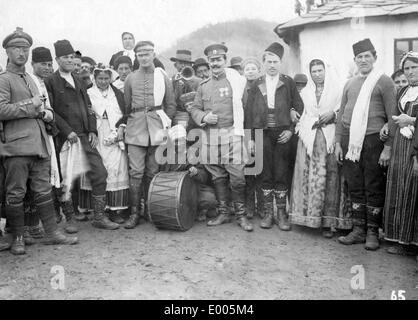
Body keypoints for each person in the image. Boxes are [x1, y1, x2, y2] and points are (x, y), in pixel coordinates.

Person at [0, 28, 78, 255]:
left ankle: (52, 232)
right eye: (17, 49)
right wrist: (31, 107)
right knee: (15, 193)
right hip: (15, 147)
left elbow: (44, 107)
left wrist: (47, 113)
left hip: (40, 144)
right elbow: (2, 109)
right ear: (7, 51)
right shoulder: (4, 80)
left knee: (43, 190)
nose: (22, 53)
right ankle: (17, 237)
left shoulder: (32, 80)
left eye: (25, 49)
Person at [45, 39, 118, 231]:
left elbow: (88, 107)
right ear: (57, 59)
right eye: (65, 57)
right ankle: (69, 219)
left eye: (71, 57)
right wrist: (66, 131)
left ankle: (99, 217)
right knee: (67, 179)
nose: (69, 60)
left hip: (84, 136)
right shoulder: (51, 81)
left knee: (99, 172)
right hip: (65, 138)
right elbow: (50, 110)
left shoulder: (78, 79)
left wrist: (92, 129)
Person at [335, 38, 396, 250]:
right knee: (355, 185)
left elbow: (393, 117)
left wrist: (388, 147)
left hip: (373, 141)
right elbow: (341, 114)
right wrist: (338, 143)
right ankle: (359, 229)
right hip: (350, 142)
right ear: (354, 60)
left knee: (373, 185)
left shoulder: (384, 81)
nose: (363, 60)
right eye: (359, 57)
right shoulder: (349, 83)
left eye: (367, 56)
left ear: (375, 58)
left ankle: (372, 233)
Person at [190, 43, 253, 232]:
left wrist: (248, 137)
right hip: (211, 136)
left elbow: (248, 111)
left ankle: (241, 216)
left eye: (219, 59)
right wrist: (203, 117)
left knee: (238, 177)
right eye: (212, 60)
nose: (215, 63)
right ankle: (224, 212)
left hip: (232, 133)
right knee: (217, 176)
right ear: (208, 62)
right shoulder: (203, 86)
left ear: (225, 60)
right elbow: (194, 108)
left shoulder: (237, 83)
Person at [289, 59, 352, 238]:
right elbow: (301, 111)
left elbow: (345, 109)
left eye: (320, 70)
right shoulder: (305, 92)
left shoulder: (338, 90)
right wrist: (294, 111)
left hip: (330, 136)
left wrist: (333, 114)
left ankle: (328, 222)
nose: (317, 74)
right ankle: (309, 219)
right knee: (309, 176)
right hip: (310, 138)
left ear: (325, 70)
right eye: (314, 71)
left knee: (330, 177)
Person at [244, 42, 304, 231]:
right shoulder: (257, 84)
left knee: (281, 172)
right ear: (264, 63)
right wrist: (250, 139)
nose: (272, 65)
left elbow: (299, 106)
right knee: (265, 173)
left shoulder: (288, 82)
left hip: (283, 134)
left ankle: (281, 214)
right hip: (262, 133)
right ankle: (268, 213)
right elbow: (248, 113)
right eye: (268, 61)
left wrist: (291, 129)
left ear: (280, 62)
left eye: (275, 61)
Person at [119, 40, 176, 229]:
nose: (144, 58)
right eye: (140, 55)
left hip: (157, 127)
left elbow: (170, 104)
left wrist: (165, 123)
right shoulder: (130, 78)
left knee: (153, 171)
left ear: (153, 54)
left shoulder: (163, 77)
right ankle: (135, 212)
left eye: (147, 54)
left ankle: (150, 210)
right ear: (136, 57)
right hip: (136, 128)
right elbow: (127, 105)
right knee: (136, 172)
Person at [78, 67, 129, 224]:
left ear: (110, 78)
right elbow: (84, 112)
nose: (103, 81)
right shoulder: (87, 93)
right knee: (97, 168)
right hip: (95, 133)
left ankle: (115, 209)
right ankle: (96, 209)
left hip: (114, 134)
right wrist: (89, 130)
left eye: (106, 78)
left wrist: (120, 128)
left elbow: (126, 112)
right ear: (95, 78)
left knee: (116, 167)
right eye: (100, 78)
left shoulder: (118, 94)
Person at [384, 51, 418, 257]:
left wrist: (412, 121)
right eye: (407, 68)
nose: (411, 71)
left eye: (414, 67)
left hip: (415, 146)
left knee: (415, 191)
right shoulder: (403, 91)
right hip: (399, 147)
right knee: (400, 189)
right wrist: (386, 128)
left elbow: (407, 119)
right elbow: (394, 117)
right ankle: (400, 240)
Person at [27, 46, 62, 239]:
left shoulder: (43, 82)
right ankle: (28, 226)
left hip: (45, 133)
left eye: (50, 64)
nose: (48, 67)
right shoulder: (29, 80)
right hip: (31, 136)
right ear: (33, 64)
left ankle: (38, 226)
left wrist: (47, 114)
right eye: (43, 64)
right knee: (29, 181)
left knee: (42, 179)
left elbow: (48, 110)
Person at [241, 57, 263, 218]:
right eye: (247, 69)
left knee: (261, 170)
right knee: (249, 170)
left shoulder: (263, 86)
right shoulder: (241, 88)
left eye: (253, 68)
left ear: (259, 70)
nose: (250, 71)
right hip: (245, 131)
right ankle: (249, 205)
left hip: (261, 131)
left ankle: (262, 206)